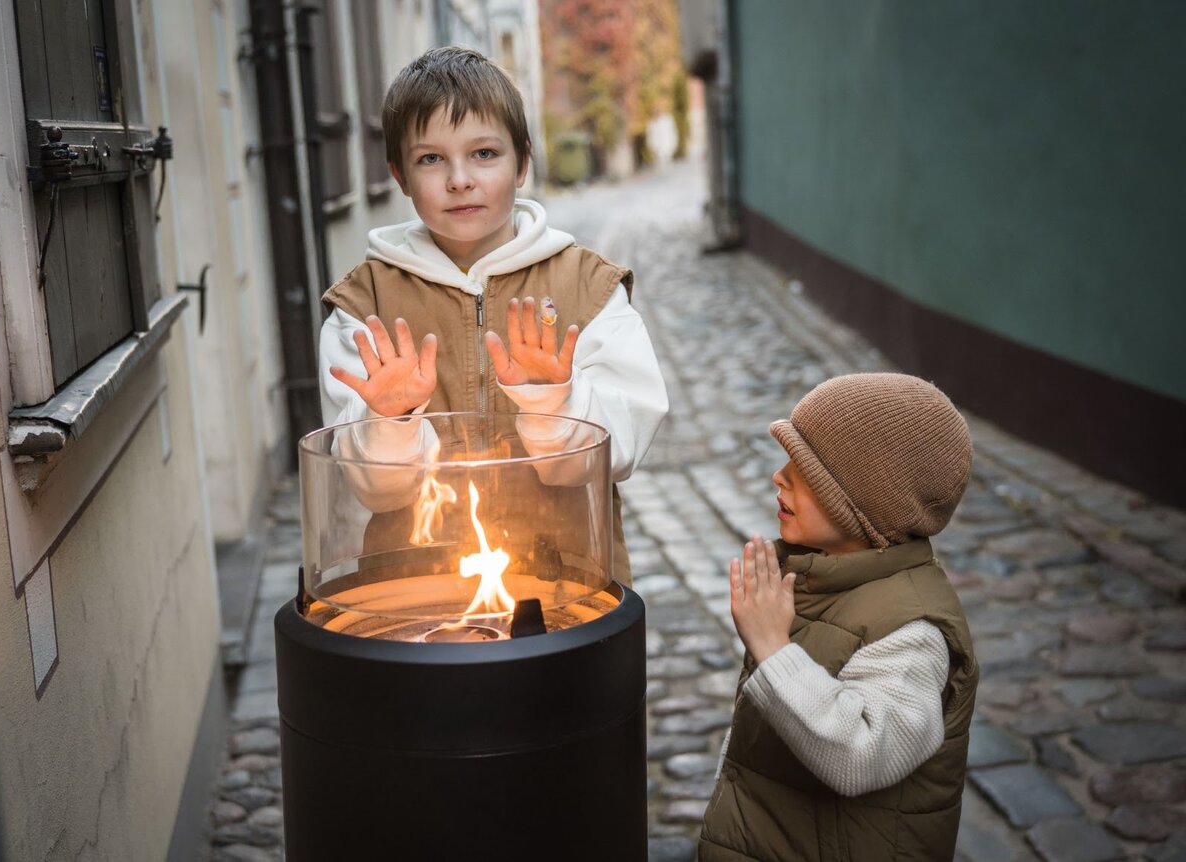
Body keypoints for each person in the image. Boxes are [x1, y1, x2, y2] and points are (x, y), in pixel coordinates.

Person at [318, 46, 667, 585]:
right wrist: (389, 421)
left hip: (568, 585)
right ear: (400, 175)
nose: (459, 179)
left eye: (484, 153)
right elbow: (374, 489)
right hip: (415, 593)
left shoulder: (589, 289)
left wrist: (557, 402)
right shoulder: (366, 308)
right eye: (431, 159)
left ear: (523, 162)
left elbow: (617, 452)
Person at [699, 373, 979, 861]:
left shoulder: (913, 632)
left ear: (866, 504)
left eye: (806, 469)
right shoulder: (824, 577)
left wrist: (772, 647)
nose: (779, 476)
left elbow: (860, 754)